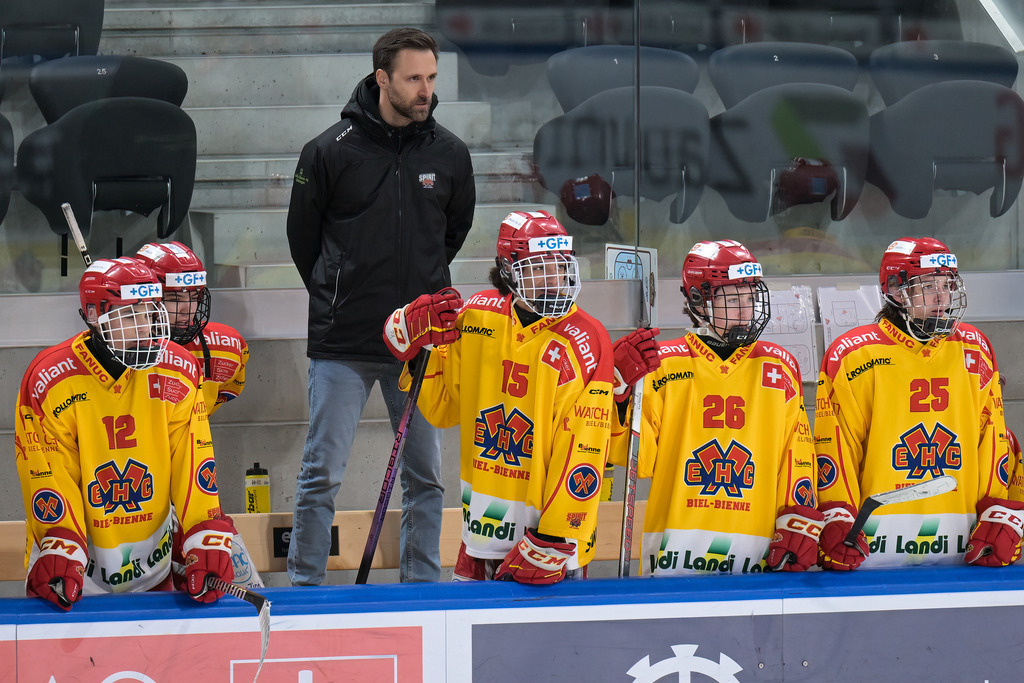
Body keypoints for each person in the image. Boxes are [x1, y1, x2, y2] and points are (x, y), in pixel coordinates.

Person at [286, 27, 476, 585]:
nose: (426, 90)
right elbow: (303, 242)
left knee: (427, 478)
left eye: (432, 77)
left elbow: (452, 233)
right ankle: (304, 592)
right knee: (321, 474)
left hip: (419, 346)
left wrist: (419, 292)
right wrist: (339, 292)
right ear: (382, 79)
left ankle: (422, 594)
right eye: (414, 78)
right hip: (343, 342)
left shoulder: (450, 154)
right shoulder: (328, 150)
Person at [383, 210, 660, 583]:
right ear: (508, 270)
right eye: (537, 268)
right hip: (481, 535)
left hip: (548, 546)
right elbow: (443, 406)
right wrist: (417, 351)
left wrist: (554, 538)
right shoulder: (477, 317)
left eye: (559, 265)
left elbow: (585, 446)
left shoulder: (586, 337)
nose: (553, 278)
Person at [14, 258, 234, 610]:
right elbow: (48, 475)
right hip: (73, 574)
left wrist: (204, 534)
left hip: (155, 569)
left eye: (149, 312)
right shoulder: (50, 380)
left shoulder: (178, 370)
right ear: (93, 317)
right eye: (131, 316)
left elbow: (194, 460)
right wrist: (60, 547)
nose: (145, 327)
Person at [608, 239, 820, 576]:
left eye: (750, 298)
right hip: (674, 551)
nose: (745, 311)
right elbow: (638, 459)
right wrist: (617, 394)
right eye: (733, 299)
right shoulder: (661, 365)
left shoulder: (778, 366)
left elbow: (797, 456)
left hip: (757, 549)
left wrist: (798, 519)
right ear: (698, 300)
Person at [815, 237, 1018, 570]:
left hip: (964, 538)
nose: (942, 297)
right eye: (928, 286)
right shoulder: (854, 355)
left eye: (946, 285)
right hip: (872, 544)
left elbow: (992, 440)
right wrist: (838, 517)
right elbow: (835, 449)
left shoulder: (974, 347)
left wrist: (997, 512)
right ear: (896, 291)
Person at [134, 241, 263, 590]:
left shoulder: (226, 348)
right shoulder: (121, 355)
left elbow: (225, 390)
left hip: (192, 485)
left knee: (237, 588)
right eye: (174, 298)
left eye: (193, 297)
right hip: (132, 497)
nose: (186, 310)